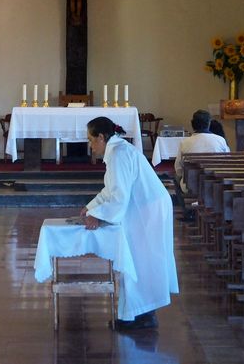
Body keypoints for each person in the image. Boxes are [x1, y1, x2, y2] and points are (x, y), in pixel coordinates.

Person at [81, 117, 178, 331]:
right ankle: (136, 314)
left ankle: (140, 315)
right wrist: (92, 207)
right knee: (138, 259)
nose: (90, 145)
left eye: (91, 140)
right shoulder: (117, 151)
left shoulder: (119, 154)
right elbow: (112, 190)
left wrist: (97, 216)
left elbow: (119, 197)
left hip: (148, 209)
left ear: (101, 137)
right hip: (146, 207)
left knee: (140, 259)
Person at [174, 110, 230, 193]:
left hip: (191, 186)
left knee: (176, 178)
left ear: (192, 124)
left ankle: (183, 205)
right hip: (216, 185)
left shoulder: (185, 142)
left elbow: (178, 169)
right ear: (209, 124)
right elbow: (227, 162)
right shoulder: (220, 140)